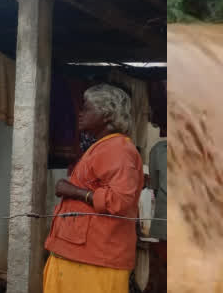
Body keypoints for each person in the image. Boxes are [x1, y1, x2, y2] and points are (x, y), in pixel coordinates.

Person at [43, 83, 143, 293]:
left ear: (107, 114)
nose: (80, 113)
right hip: (80, 255)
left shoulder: (118, 149)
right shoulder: (105, 146)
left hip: (94, 258)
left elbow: (120, 201)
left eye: (86, 108)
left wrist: (74, 191)